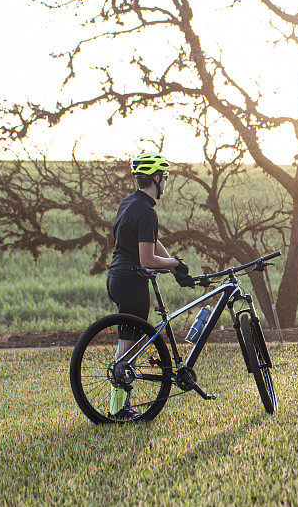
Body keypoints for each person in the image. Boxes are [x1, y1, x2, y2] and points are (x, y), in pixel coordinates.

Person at [105, 151, 192, 419]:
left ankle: (116, 407)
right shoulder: (147, 211)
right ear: (156, 178)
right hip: (133, 281)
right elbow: (146, 258)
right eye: (164, 177)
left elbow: (151, 242)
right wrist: (175, 265)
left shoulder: (129, 203)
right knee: (129, 348)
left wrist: (172, 262)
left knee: (126, 344)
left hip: (116, 278)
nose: (166, 182)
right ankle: (118, 408)